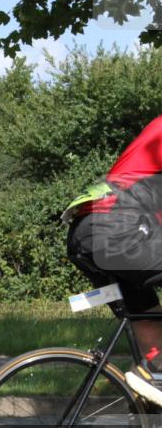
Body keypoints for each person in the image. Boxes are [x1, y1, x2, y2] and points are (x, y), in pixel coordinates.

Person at [65, 116, 162, 405]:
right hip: (115, 229)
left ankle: (153, 383)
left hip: (89, 232)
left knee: (147, 312)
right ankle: (151, 372)